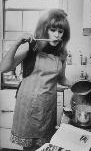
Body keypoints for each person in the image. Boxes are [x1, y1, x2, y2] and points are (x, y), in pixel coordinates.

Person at [0, 9, 72, 151]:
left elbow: (62, 79)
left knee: (44, 146)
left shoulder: (62, 54)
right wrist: (17, 43)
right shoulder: (31, 48)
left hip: (47, 108)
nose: (57, 35)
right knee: (29, 148)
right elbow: (3, 68)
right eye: (53, 30)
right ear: (45, 30)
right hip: (28, 107)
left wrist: (76, 85)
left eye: (61, 31)